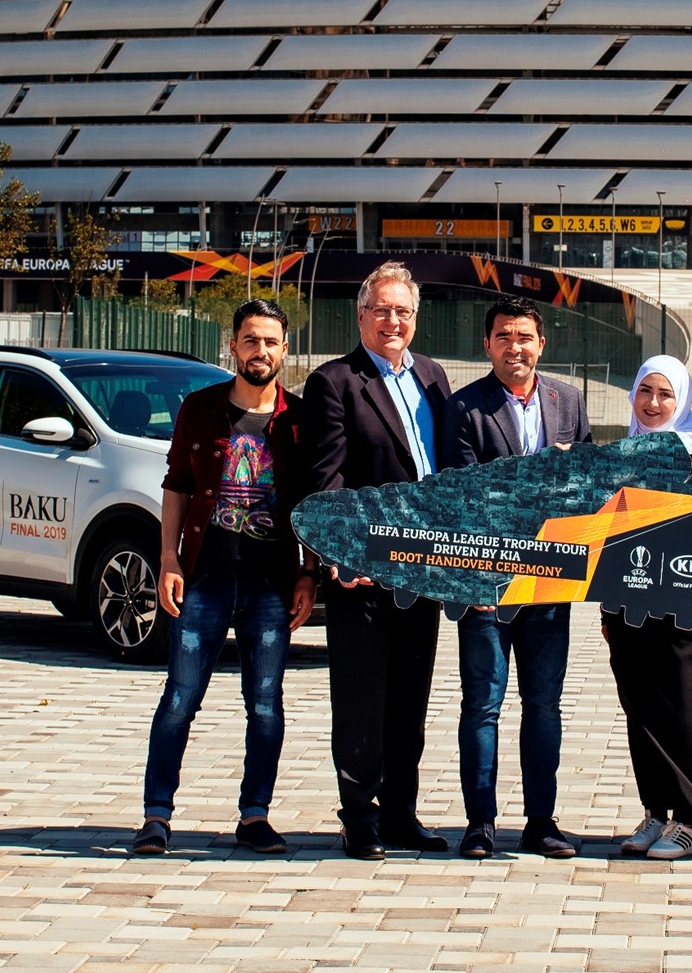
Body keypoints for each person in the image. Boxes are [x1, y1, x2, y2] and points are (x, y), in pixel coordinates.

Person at [135, 298, 317, 856]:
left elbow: (314, 501)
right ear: (233, 345)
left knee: (265, 703)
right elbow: (177, 484)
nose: (260, 351)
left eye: (270, 342)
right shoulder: (200, 408)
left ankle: (255, 815)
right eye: (250, 340)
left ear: (284, 350)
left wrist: (308, 574)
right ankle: (156, 816)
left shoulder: (300, 419)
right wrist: (168, 560)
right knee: (179, 697)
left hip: (271, 585)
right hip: (204, 578)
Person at [302, 261, 454, 860]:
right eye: (382, 310)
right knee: (361, 699)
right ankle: (359, 817)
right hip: (364, 569)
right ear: (361, 315)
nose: (394, 321)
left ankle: (400, 814)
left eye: (404, 311)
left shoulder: (433, 377)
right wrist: (340, 552)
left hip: (424, 566)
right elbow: (327, 477)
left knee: (410, 699)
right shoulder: (335, 381)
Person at [441, 299, 592, 860]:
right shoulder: (464, 407)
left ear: (541, 344)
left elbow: (586, 485)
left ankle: (541, 821)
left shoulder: (568, 400)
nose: (515, 347)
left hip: (550, 583)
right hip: (486, 583)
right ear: (488, 345)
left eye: (524, 336)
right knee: (482, 705)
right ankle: (480, 823)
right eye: (503, 336)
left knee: (544, 705)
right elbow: (464, 495)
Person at [601, 354, 692, 862]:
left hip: (681, 604)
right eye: (645, 391)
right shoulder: (619, 454)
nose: (653, 403)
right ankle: (656, 810)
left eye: (665, 394)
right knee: (639, 709)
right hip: (626, 602)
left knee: (682, 710)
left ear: (682, 399)